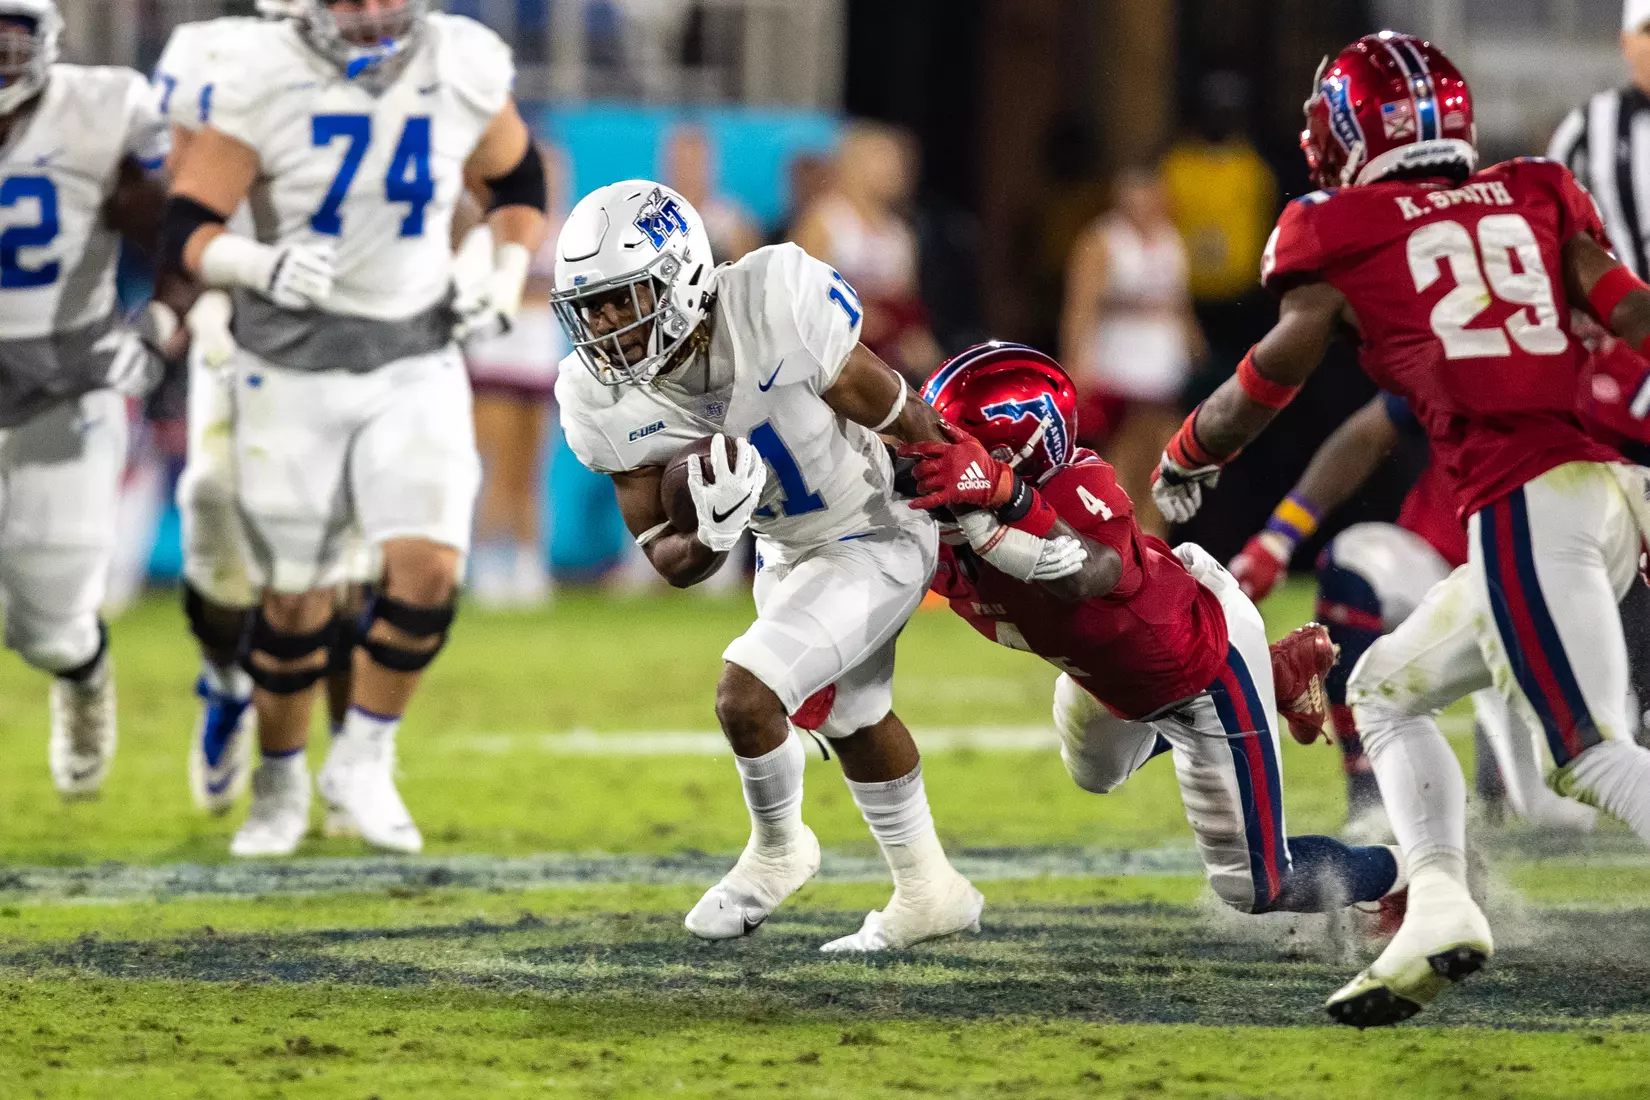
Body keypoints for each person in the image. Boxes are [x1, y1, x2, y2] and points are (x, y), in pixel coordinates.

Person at [1153, 31, 1650, 1026]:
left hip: (1527, 488)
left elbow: (1266, 383)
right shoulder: (1539, 188)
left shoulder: (1342, 228)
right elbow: (1630, 313)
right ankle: (1439, 902)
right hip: (1610, 481)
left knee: (1586, 751)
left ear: (1347, 129)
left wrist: (1185, 459)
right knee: (1381, 686)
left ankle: (1441, 894)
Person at [161, 0, 549, 857]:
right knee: (296, 596)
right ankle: (278, 778)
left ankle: (364, 758)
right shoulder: (261, 71)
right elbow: (188, 221)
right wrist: (253, 263)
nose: (372, 12)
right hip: (289, 368)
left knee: (430, 567)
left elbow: (517, 182)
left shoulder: (461, 59)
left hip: (416, 354)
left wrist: (504, 260)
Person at [552, 180, 982, 952]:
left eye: (623, 299)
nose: (606, 325)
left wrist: (972, 492)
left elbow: (895, 408)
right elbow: (666, 556)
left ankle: (780, 849)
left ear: (681, 275)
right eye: (591, 307)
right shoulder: (595, 395)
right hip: (788, 553)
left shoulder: (774, 299)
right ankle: (931, 890)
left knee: (746, 695)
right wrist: (712, 539)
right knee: (855, 717)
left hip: (877, 529)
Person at [903, 343, 1406, 922]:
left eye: (954, 438)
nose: (937, 451)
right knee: (1094, 774)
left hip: (1204, 664)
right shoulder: (941, 512)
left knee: (1259, 886)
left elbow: (1091, 574)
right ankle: (1282, 674)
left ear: (1016, 453)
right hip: (1107, 674)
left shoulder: (1077, 488)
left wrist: (1010, 500)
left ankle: (1414, 867)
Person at [1229, 393, 1600, 837]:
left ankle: (1518, 730)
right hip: (1442, 570)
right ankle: (1374, 791)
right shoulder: (1467, 342)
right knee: (1354, 562)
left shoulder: (1626, 377)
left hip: (1555, 606)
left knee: (1558, 815)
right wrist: (1279, 537)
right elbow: (1367, 430)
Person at [0, 0, 177, 798]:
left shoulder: (104, 110)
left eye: (9, 33)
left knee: (48, 616)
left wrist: (166, 319)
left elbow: (177, 224)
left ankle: (82, 669)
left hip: (64, 375)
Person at [1060, 167, 1202, 537]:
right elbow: (1081, 304)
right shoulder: (1103, 240)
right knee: (1121, 454)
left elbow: (1178, 300)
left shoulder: (1172, 239)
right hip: (1117, 360)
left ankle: (1155, 540)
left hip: (1163, 360)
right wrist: (1076, 359)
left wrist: (1193, 343)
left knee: (1163, 455)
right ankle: (1117, 535)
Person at [463, 145, 563, 609]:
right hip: (498, 349)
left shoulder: (563, 232)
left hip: (538, 354)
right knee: (495, 465)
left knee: (529, 468)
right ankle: (484, 563)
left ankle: (527, 562)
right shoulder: (487, 226)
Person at [790, 122, 940, 384]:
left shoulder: (900, 234)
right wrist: (858, 317)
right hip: (831, 355)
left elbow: (907, 308)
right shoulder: (825, 221)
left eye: (898, 162)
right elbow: (795, 292)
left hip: (883, 362)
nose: (895, 170)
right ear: (855, 164)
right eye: (884, 160)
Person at [1547, 0, 1650, 280]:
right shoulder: (1591, 121)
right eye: (1648, 30)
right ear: (1626, 42)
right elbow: (1550, 210)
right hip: (1624, 313)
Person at [663, 124, 760, 264]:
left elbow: (747, 272)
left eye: (693, 162)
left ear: (709, 165)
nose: (687, 171)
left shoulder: (731, 222)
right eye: (681, 161)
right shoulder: (651, 216)